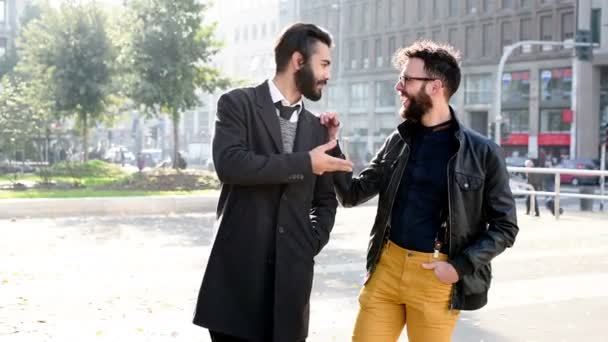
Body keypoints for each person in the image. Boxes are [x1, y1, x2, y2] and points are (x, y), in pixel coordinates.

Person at [320, 40, 519, 342]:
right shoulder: (398, 140)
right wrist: (333, 145)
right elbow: (352, 194)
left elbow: (505, 226)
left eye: (406, 79)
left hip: (436, 276)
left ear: (435, 86)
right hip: (386, 267)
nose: (398, 86)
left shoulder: (482, 152)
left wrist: (458, 267)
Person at [193, 23, 353, 342]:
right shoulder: (237, 104)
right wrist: (306, 162)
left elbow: (326, 201)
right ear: (298, 61)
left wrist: (310, 241)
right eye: (324, 63)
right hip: (236, 286)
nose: (328, 74)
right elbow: (231, 165)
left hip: (290, 290)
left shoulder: (319, 129)